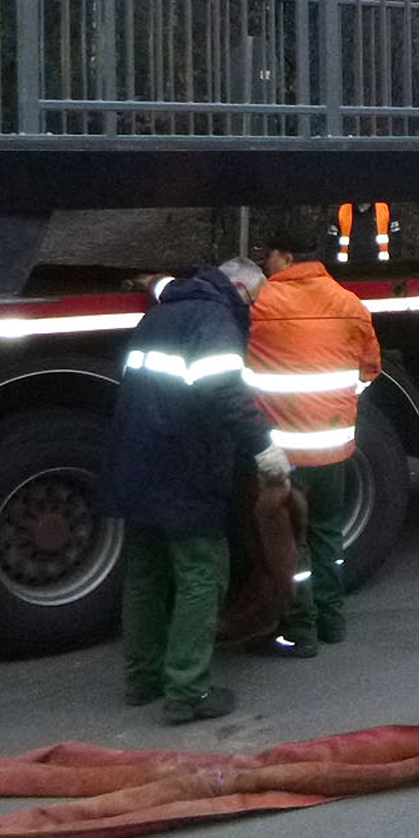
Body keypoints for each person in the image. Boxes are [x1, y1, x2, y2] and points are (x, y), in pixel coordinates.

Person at [103, 257, 290, 723]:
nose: (252, 311)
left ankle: (142, 679)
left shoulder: (164, 311)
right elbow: (225, 393)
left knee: (145, 573)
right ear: (241, 291)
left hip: (136, 459)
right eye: (254, 302)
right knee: (202, 573)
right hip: (184, 465)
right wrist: (265, 448)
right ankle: (187, 691)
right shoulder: (215, 320)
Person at [245, 223, 383, 657]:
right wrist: (336, 405)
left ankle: (300, 633)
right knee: (328, 535)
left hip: (284, 455)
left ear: (286, 257)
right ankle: (333, 621)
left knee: (290, 544)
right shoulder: (349, 303)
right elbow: (369, 369)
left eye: (269, 256)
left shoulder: (260, 303)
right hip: (335, 448)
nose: (265, 264)